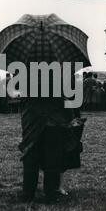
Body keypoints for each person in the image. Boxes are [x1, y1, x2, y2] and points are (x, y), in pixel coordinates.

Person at [19, 71, 85, 203]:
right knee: (52, 161)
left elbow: (24, 101)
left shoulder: (27, 75)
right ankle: (50, 194)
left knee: (31, 159)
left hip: (33, 122)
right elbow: (65, 101)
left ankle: (28, 194)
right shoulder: (60, 77)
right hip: (54, 123)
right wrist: (70, 119)